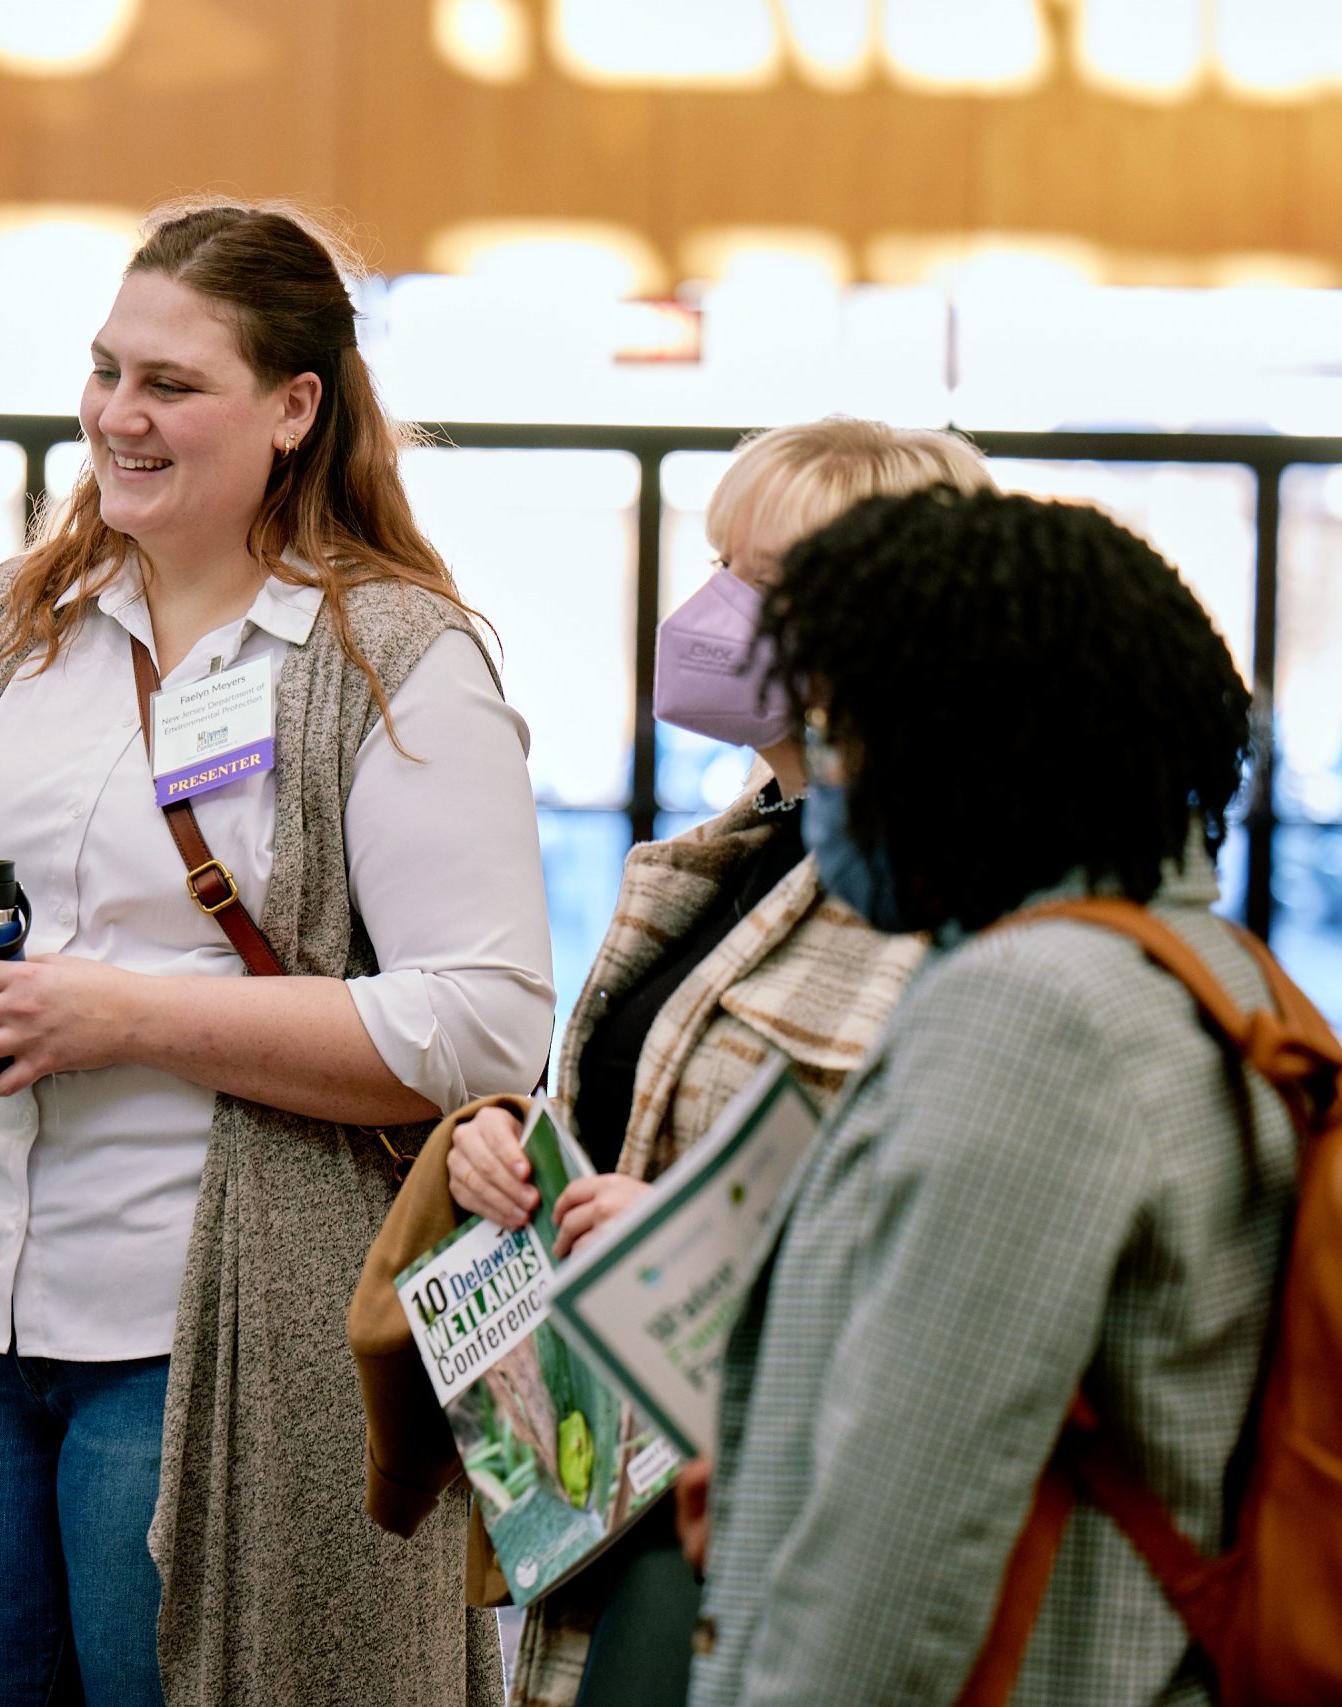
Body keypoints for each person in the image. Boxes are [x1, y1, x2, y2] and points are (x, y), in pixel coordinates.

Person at [0, 201, 556, 1707]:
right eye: (106, 371)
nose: (119, 417)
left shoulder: (395, 657)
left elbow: (485, 1024)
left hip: (212, 1347)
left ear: (292, 408)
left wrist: (127, 1014)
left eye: (171, 384)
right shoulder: (8, 631)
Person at [350, 418, 992, 1707]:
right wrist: (505, 1143)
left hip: (759, 1517)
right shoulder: (726, 853)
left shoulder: (949, 896)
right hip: (606, 1472)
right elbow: (634, 1112)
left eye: (758, 581)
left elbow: (953, 1229)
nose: (708, 610)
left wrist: (700, 1248)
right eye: (717, 562)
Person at [689, 487, 1289, 1706]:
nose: (824, 777)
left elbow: (896, 1534)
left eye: (841, 734)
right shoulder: (1205, 968)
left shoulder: (1032, 1013)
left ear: (959, 748)